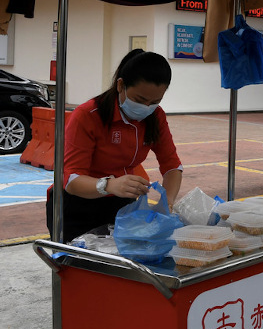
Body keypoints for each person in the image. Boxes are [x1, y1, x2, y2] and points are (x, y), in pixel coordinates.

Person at [46, 49, 183, 243]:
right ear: (121, 85)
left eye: (155, 102)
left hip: (121, 204)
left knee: (120, 264)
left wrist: (166, 202)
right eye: (140, 100)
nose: (146, 107)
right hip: (76, 205)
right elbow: (72, 180)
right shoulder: (88, 115)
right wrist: (109, 184)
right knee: (78, 267)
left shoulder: (156, 116)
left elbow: (172, 166)